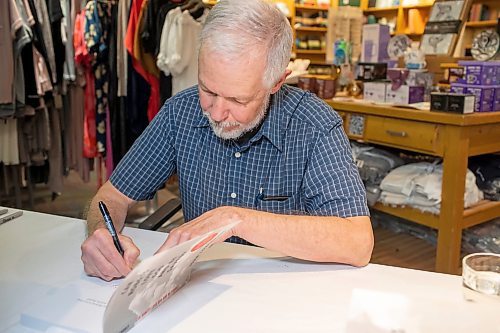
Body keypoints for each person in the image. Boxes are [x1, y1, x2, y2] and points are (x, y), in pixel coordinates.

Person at [81, 0, 374, 281]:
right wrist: (100, 234)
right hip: (198, 286)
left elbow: (358, 242)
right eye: (208, 90)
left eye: (237, 99)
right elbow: (112, 197)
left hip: (285, 293)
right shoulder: (180, 112)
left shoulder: (314, 124)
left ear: (276, 82)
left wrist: (235, 219)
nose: (218, 112)